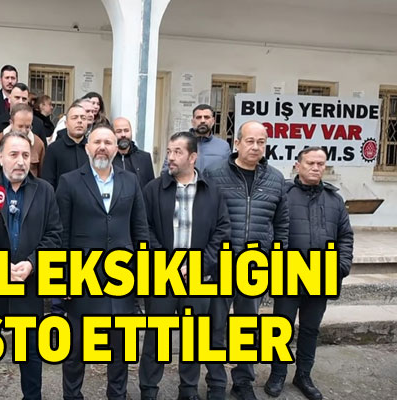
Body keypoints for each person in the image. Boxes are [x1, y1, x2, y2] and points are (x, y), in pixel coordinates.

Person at [0, 131, 62, 400]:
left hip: (28, 286)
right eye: (14, 154)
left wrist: (31, 264)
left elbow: (54, 235)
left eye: (26, 155)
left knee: (31, 354)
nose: (20, 161)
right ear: (0, 157)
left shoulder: (45, 191)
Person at [56, 126, 149, 400]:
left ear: (116, 148)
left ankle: (117, 395)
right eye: (97, 141)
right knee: (76, 348)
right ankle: (72, 396)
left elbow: (140, 229)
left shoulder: (130, 180)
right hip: (83, 277)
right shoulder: (69, 182)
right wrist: (63, 278)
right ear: (87, 147)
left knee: (120, 347)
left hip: (122, 277)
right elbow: (61, 233)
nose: (102, 147)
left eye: (108, 142)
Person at [139, 131, 231, 400]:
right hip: (163, 276)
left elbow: (222, 232)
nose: (170, 157)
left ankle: (188, 389)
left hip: (198, 278)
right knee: (157, 336)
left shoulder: (212, 191)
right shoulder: (153, 189)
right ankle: (148, 389)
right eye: (169, 151)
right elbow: (144, 229)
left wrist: (200, 265)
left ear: (193, 157)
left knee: (194, 336)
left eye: (177, 152)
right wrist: (167, 264)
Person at [203, 120, 289, 400]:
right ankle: (216, 382)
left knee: (247, 326)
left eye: (261, 142)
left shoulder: (276, 179)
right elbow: (204, 218)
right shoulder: (214, 174)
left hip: (255, 266)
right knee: (215, 326)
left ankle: (243, 382)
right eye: (250, 141)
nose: (255, 147)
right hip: (221, 265)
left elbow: (282, 224)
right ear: (237, 143)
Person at [264, 147, 354, 400]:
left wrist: (342, 265)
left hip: (321, 273)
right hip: (288, 272)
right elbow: (270, 231)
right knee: (280, 328)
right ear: (298, 165)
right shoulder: (283, 195)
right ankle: (277, 374)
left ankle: (303, 375)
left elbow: (345, 236)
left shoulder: (334, 200)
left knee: (310, 329)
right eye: (310, 163)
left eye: (320, 164)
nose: (316, 168)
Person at [161, 104, 230, 175]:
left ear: (213, 121)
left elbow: (228, 174)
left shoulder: (223, 147)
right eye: (199, 117)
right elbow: (166, 172)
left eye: (206, 117)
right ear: (192, 122)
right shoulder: (179, 143)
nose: (202, 121)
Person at [0, 103, 45, 177]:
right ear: (11, 123)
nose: (23, 131)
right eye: (20, 126)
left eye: (27, 127)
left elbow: (42, 175)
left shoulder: (38, 144)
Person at [41, 103, 89, 189]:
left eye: (83, 118)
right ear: (66, 123)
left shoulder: (92, 149)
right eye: (74, 118)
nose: (79, 121)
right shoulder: (54, 149)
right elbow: (48, 182)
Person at [112, 117, 155, 189]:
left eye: (126, 130)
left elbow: (151, 188)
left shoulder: (144, 158)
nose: (123, 134)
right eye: (119, 131)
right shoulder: (108, 158)